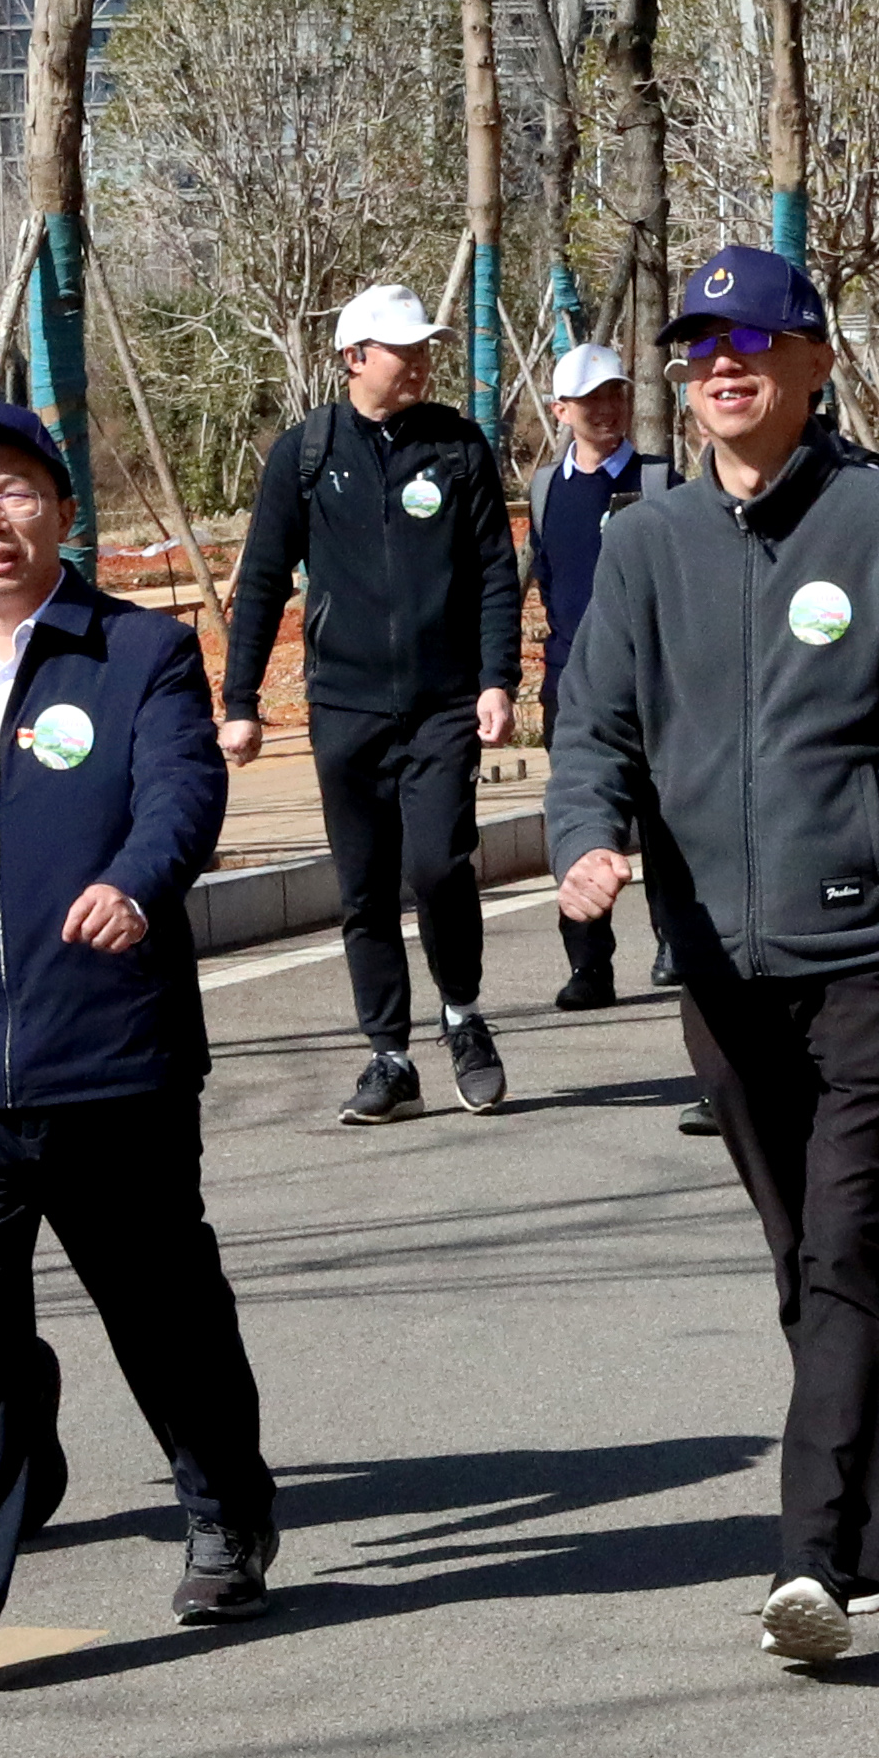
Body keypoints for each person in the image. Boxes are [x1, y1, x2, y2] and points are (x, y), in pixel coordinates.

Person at [550, 243, 879, 1667]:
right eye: (701, 349)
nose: (724, 368)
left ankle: (816, 1561)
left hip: (872, 945)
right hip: (717, 958)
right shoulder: (643, 545)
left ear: (815, 365)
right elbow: (592, 730)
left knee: (843, 1246)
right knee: (803, 1259)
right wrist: (588, 839)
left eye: (755, 345)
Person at [0, 396, 273, 1701]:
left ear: (62, 512)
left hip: (113, 1056)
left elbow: (183, 790)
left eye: (14, 490)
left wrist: (136, 882)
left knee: (162, 1310)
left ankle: (225, 1510)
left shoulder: (135, 652)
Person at [221, 281, 524, 1125]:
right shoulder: (305, 454)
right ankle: (388, 1056)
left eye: (425, 346)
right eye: (403, 349)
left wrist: (497, 678)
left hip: (443, 704)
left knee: (436, 864)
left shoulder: (458, 448)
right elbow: (261, 584)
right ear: (355, 357)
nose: (420, 362)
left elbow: (496, 573)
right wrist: (239, 698)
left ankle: (462, 1016)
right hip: (344, 706)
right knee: (362, 887)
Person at [526, 342, 679, 1015]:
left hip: (656, 682)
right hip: (571, 684)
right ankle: (588, 963)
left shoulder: (660, 482)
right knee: (581, 822)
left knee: (669, 819)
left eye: (615, 395)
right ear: (561, 410)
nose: (607, 409)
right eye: (590, 400)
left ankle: (677, 939)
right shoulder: (543, 489)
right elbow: (545, 580)